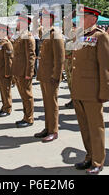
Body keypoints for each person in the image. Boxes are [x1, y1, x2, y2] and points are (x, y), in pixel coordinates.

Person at [71, 6, 109, 175]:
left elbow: (106, 67)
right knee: (84, 127)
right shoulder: (80, 35)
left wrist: (105, 92)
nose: (79, 19)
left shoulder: (100, 36)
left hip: (93, 90)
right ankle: (89, 156)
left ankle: (98, 160)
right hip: (79, 89)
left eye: (83, 16)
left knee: (95, 127)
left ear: (93, 18)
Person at [34, 10, 65, 143]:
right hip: (44, 74)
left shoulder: (55, 33)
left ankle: (53, 130)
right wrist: (36, 16)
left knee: (52, 103)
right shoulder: (46, 33)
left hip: (52, 75)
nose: (41, 21)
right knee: (46, 103)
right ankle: (47, 128)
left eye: (43, 19)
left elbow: (60, 58)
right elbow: (35, 28)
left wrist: (56, 75)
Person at [11, 15, 36, 128]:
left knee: (27, 95)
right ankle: (25, 116)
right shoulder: (21, 36)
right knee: (23, 95)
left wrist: (29, 73)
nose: (16, 24)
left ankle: (29, 118)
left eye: (18, 22)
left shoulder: (28, 37)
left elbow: (31, 56)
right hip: (18, 71)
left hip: (24, 72)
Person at [0, 24, 14, 117]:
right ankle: (4, 106)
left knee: (6, 91)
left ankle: (7, 108)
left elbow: (9, 60)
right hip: (0, 71)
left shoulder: (7, 43)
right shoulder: (0, 42)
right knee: (2, 91)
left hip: (5, 72)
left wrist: (8, 73)